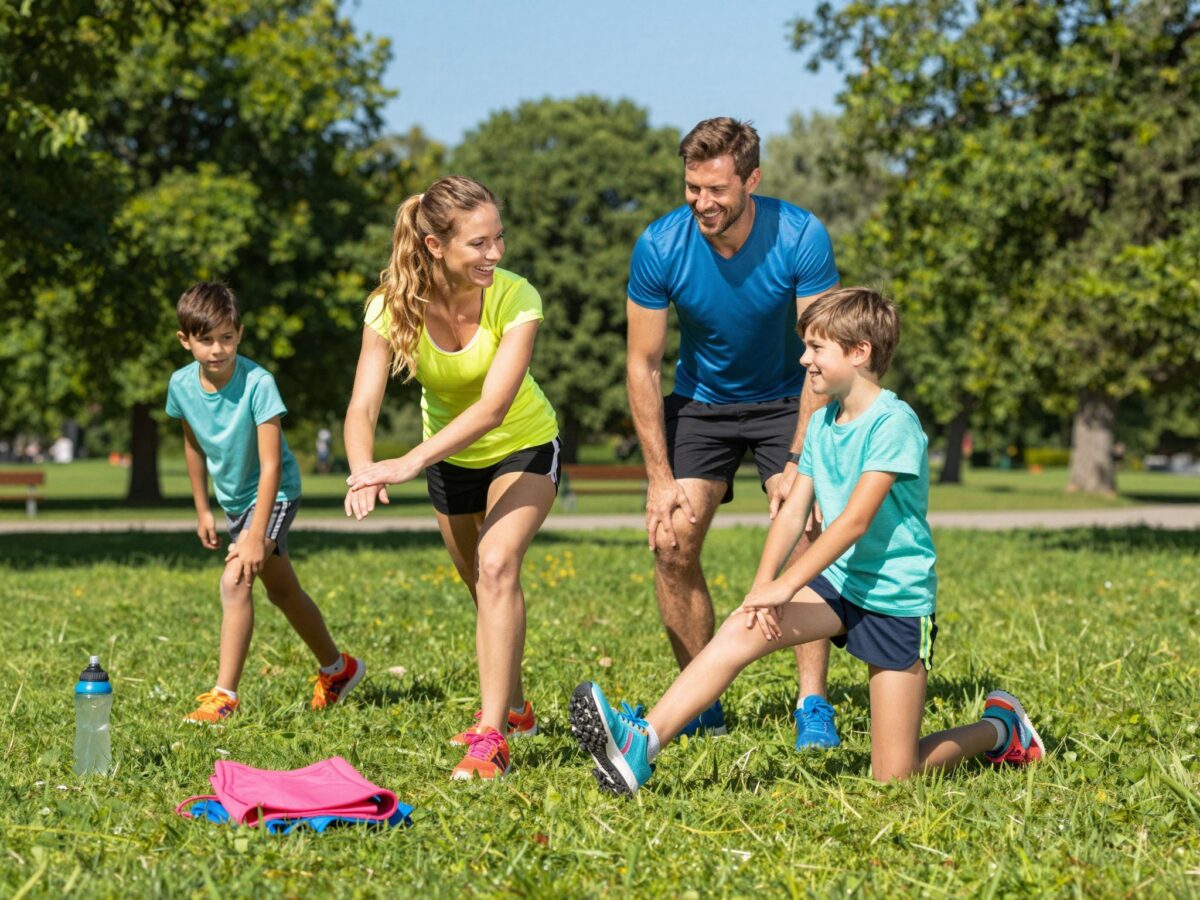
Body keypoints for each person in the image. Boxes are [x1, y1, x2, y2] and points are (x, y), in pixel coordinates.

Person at [571, 288, 1044, 794]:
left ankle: (1000, 729)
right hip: (839, 586)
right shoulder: (821, 421)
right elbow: (794, 509)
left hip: (894, 599)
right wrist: (761, 588)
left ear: (860, 351)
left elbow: (853, 522)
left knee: (895, 775)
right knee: (741, 627)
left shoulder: (894, 423)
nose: (804, 359)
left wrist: (786, 584)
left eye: (817, 348)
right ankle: (642, 743)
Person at [625, 116, 842, 747]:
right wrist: (658, 479)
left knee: (804, 524)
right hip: (701, 403)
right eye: (693, 187)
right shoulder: (661, 245)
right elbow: (642, 365)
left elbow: (821, 354)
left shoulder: (800, 234)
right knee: (670, 540)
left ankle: (812, 703)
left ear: (752, 179)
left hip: (787, 396)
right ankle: (701, 700)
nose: (702, 202)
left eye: (716, 189)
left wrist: (801, 460)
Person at [343, 175, 561, 781]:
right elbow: (362, 405)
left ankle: (490, 737)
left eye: (499, 239)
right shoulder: (391, 307)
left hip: (522, 445)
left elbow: (493, 408)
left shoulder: (516, 297)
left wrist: (409, 461)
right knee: (481, 585)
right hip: (451, 461)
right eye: (478, 244)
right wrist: (364, 468)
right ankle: (515, 707)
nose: (494, 254)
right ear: (436, 245)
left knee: (496, 565)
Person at [166, 282, 364, 725]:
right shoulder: (180, 386)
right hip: (234, 501)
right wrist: (203, 508)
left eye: (227, 337)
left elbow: (272, 465)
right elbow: (193, 447)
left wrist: (256, 535)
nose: (218, 349)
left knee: (236, 580)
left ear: (239, 333)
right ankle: (339, 670)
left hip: (274, 494)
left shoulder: (258, 382)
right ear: (185, 340)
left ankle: (224, 696)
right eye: (206, 339)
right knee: (282, 590)